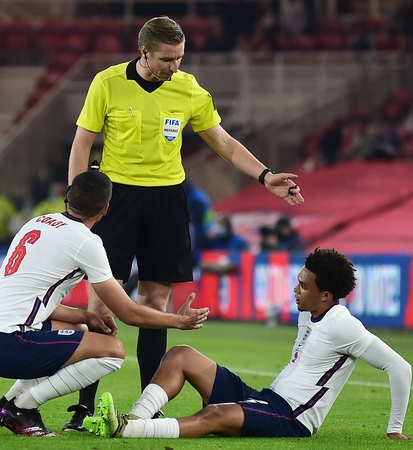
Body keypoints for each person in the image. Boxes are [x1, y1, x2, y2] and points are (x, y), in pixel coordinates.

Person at [66, 16, 304, 430]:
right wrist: (75, 205)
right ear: (143, 52)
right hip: (115, 199)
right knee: (102, 303)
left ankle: (148, 408)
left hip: (167, 201)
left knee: (155, 305)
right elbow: (82, 143)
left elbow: (224, 141)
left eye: (179, 58)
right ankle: (85, 407)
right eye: (166, 59)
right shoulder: (106, 82)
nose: (174, 66)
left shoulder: (189, 88)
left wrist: (266, 177)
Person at [0, 170, 209, 437]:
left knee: (81, 331)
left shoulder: (36, 223)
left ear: (68, 196)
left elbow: (35, 299)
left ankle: (8, 402)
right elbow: (128, 313)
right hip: (8, 344)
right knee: (112, 351)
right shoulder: (87, 241)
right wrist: (179, 320)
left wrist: (87, 316)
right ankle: (24, 407)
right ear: (106, 209)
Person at [84, 248, 413, 441]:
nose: (296, 289)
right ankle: (133, 416)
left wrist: (394, 430)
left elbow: (399, 367)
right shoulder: (310, 313)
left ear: (326, 295)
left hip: (291, 419)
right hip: (266, 399)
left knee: (213, 414)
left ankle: (130, 431)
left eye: (303, 285)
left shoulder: (343, 324)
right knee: (180, 354)